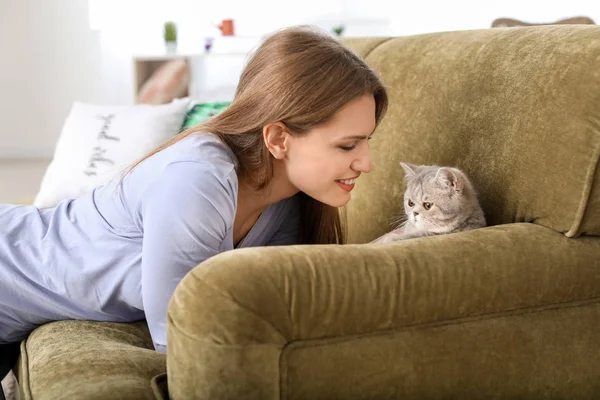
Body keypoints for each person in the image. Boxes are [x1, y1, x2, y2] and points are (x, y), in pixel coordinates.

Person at [0, 25, 388, 383]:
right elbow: (184, 348)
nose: (366, 163)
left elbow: (277, 315)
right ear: (278, 139)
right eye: (348, 145)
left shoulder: (287, 204)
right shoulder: (198, 178)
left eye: (366, 140)